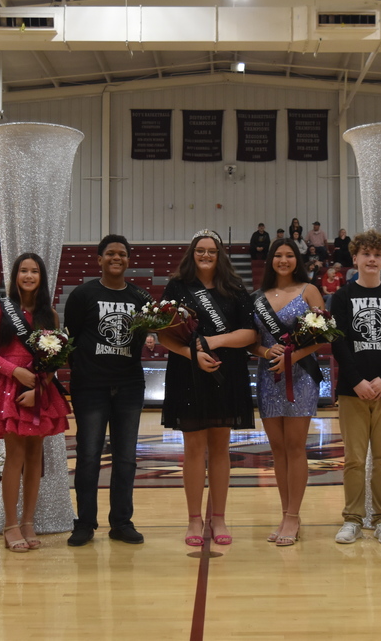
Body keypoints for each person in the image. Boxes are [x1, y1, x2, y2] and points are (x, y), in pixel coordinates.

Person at [156, 230, 256, 547]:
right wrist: (193, 355)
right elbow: (163, 334)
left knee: (221, 449)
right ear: (192, 253)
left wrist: (212, 342)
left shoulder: (235, 288)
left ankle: (219, 517)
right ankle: (194, 519)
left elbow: (250, 334)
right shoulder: (177, 287)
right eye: (200, 250)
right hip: (188, 374)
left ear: (220, 254)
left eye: (211, 251)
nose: (206, 256)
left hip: (227, 372)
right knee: (194, 450)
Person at [63, 235, 153, 547]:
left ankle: (121, 523)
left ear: (129, 260)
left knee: (126, 459)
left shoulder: (140, 297)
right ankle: (85, 523)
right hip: (90, 387)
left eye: (122, 254)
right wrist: (87, 371)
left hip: (129, 386)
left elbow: (146, 336)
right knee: (88, 457)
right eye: (111, 254)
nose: (117, 258)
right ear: (99, 259)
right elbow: (70, 340)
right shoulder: (83, 294)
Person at [0, 253, 70, 553]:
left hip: (39, 390)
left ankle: (29, 521)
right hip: (10, 387)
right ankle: (10, 525)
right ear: (15, 275)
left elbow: (55, 359)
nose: (29, 276)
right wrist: (15, 371)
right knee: (14, 457)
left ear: (42, 277)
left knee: (36, 456)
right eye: (24, 271)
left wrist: (39, 388)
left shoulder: (51, 315)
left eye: (34, 271)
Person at [330, 229, 381, 545]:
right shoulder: (342, 296)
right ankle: (352, 519)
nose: (372, 259)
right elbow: (338, 343)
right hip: (353, 390)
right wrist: (358, 381)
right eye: (366, 254)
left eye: (377, 255)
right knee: (353, 458)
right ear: (356, 258)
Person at [250, 239, 326, 546]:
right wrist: (267, 351)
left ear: (298, 259)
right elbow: (251, 342)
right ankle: (285, 513)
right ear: (270, 260)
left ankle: (293, 517)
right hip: (269, 377)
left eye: (289, 255)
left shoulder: (309, 291)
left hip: (301, 376)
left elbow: (324, 334)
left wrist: (292, 356)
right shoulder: (257, 297)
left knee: (296, 448)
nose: (283, 260)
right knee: (277, 450)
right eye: (278, 255)